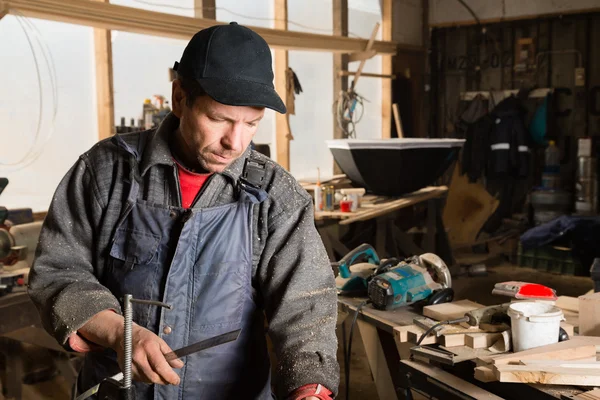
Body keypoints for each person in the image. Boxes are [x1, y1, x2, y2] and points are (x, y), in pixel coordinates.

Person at [28, 22, 339, 400]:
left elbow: (306, 303)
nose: (235, 143)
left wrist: (309, 390)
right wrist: (118, 332)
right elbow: (59, 270)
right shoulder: (105, 172)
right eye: (219, 119)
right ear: (180, 99)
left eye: (251, 124)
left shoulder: (275, 195)